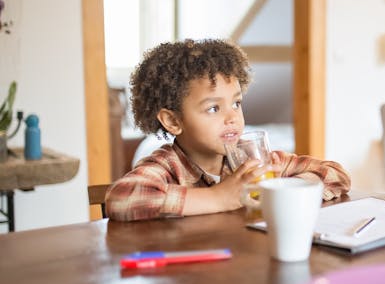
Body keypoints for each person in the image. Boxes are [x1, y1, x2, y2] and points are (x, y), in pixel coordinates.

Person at [106, 39, 351, 221]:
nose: (232, 117)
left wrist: (285, 190)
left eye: (236, 103)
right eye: (213, 108)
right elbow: (121, 198)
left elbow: (336, 175)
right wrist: (220, 197)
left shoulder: (252, 162)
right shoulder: (166, 166)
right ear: (172, 121)